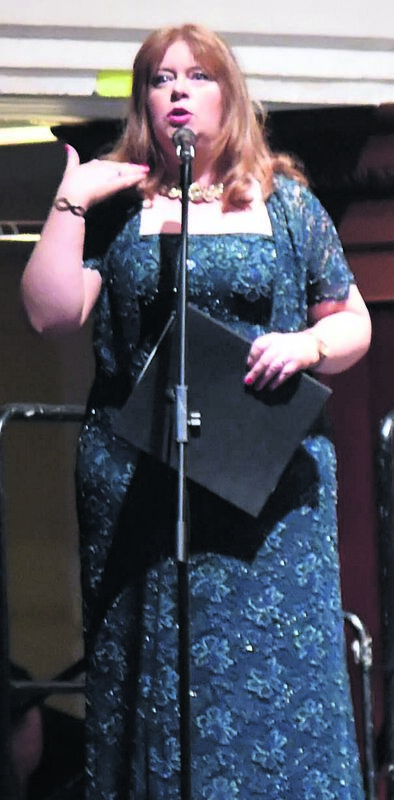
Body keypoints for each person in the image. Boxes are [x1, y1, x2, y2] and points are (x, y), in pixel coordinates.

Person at [21, 22, 372, 800]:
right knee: (154, 674)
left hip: (264, 487)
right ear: (146, 103)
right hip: (144, 483)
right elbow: (49, 314)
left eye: (198, 76)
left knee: (273, 682)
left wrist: (307, 346)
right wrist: (73, 196)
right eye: (160, 79)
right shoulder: (117, 203)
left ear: (230, 94)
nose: (177, 90)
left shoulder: (287, 204)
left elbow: (353, 323)